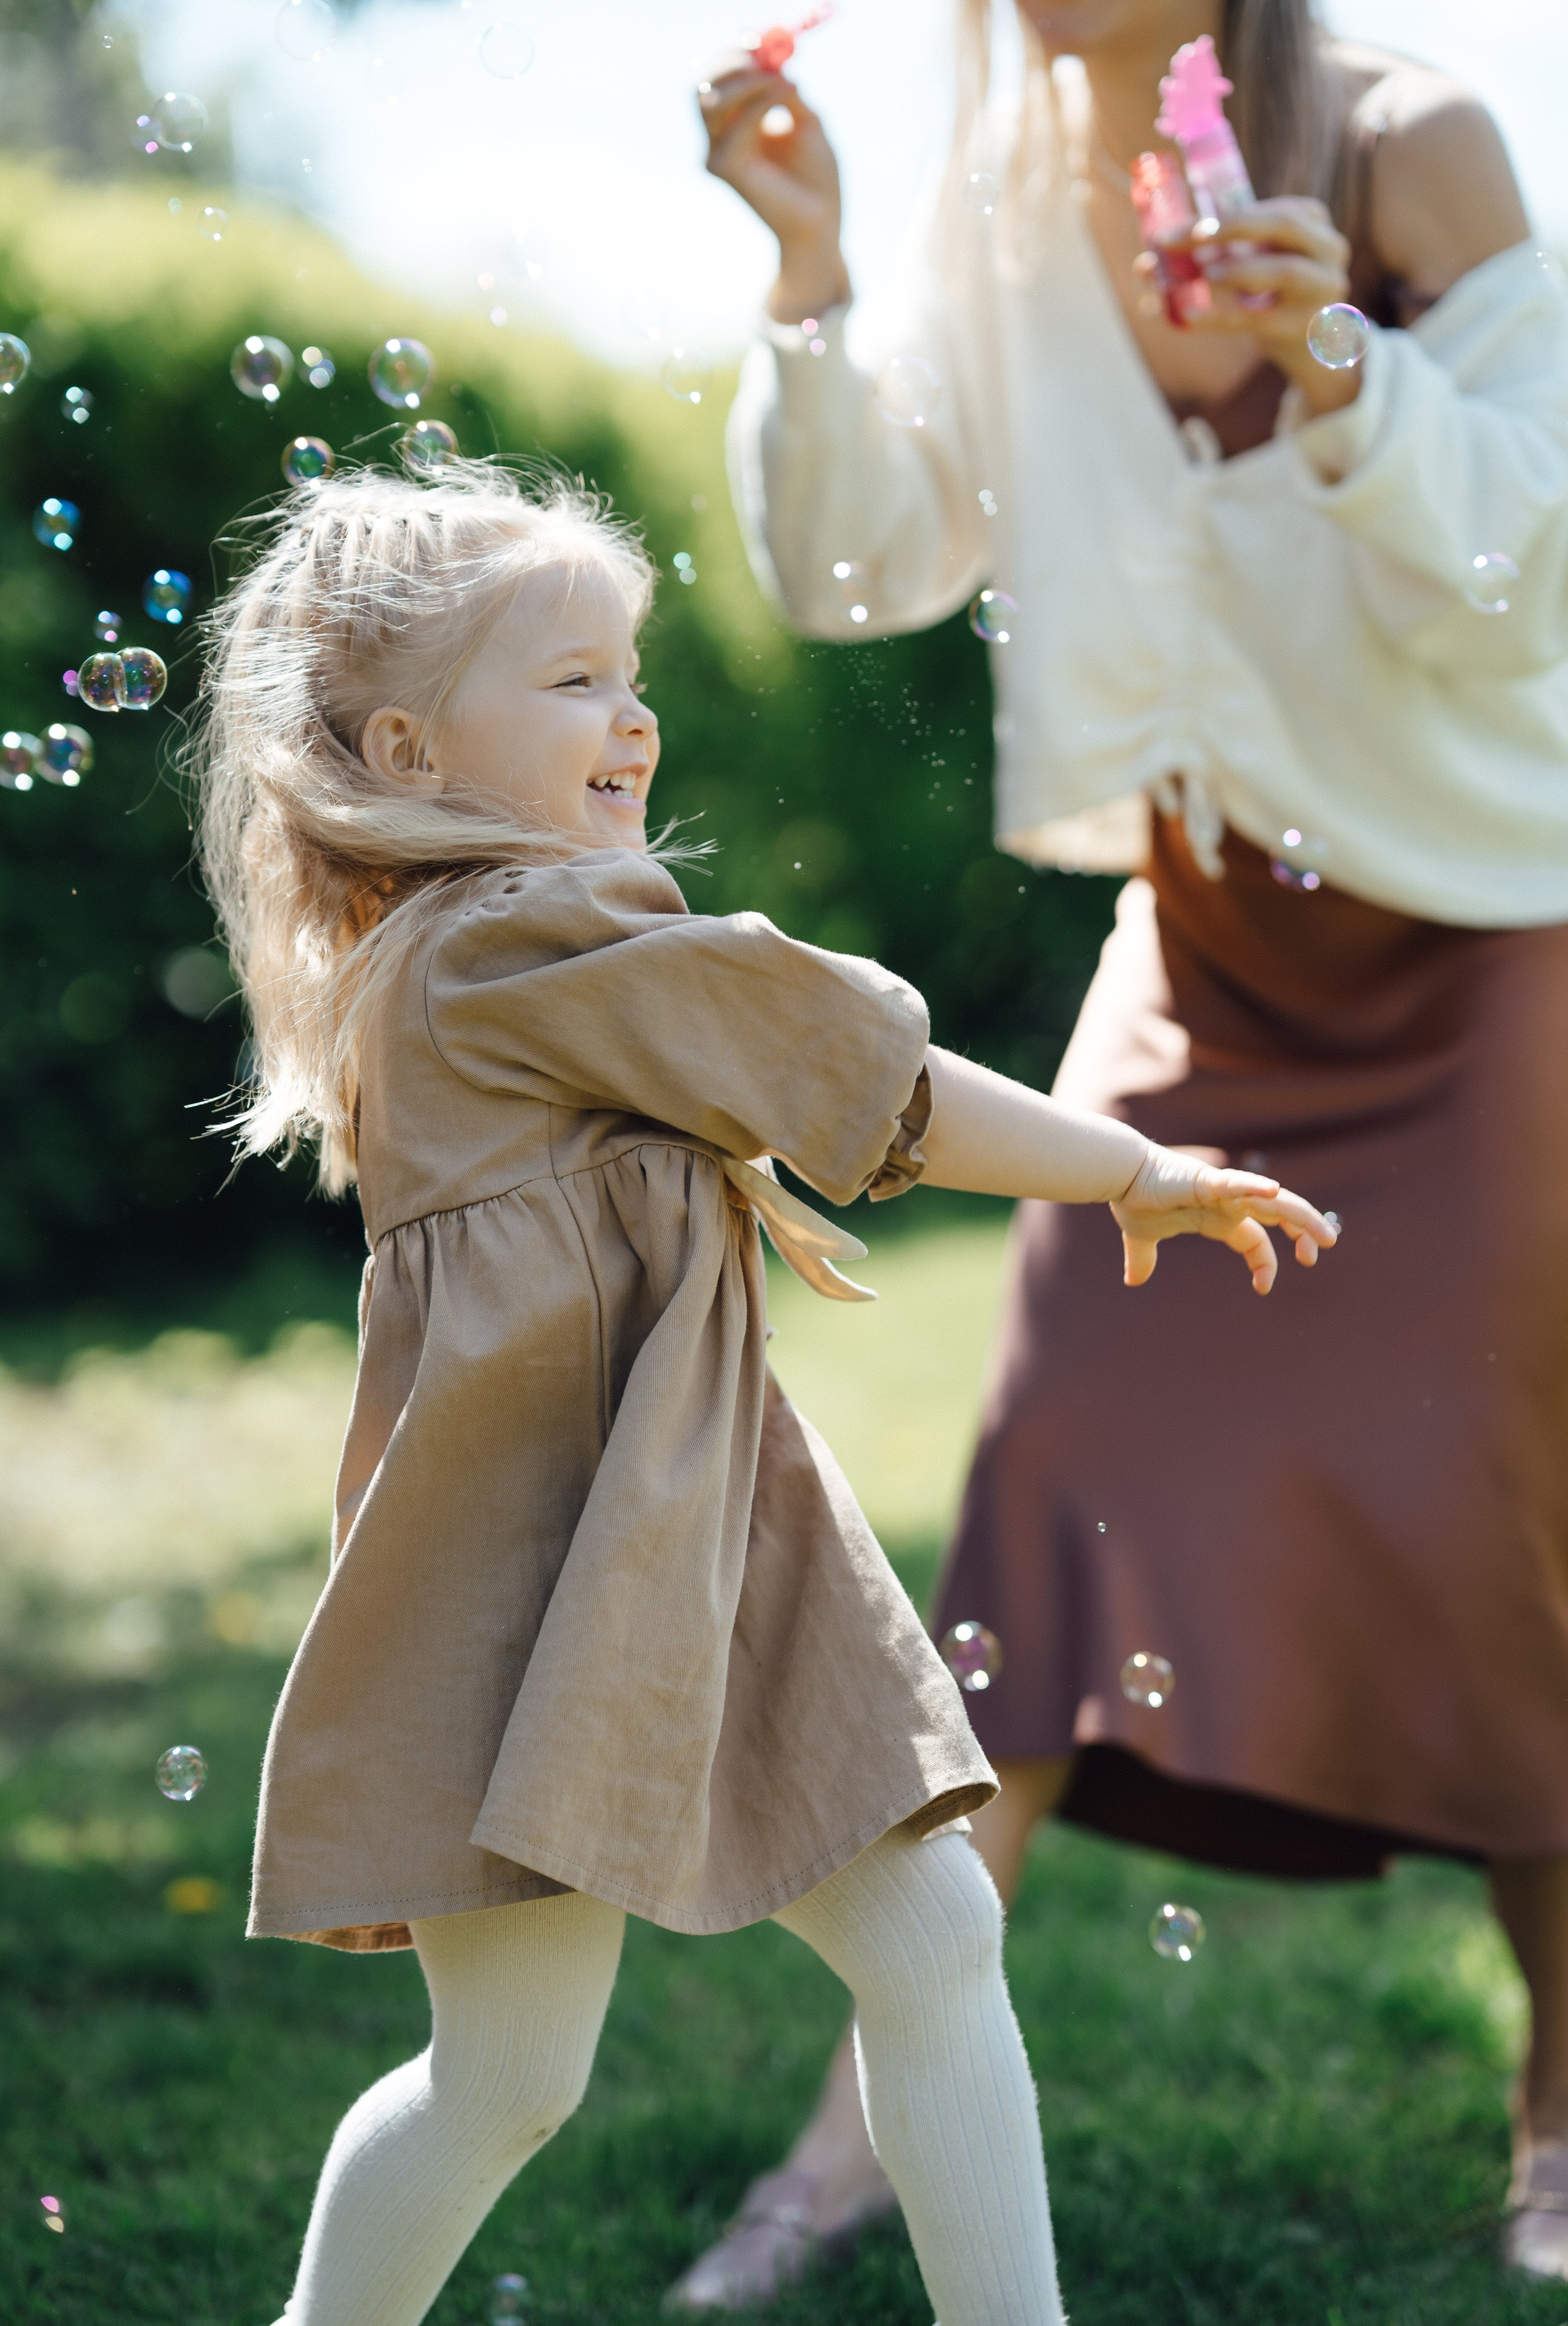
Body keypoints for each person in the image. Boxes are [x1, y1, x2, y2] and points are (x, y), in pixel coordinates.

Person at [187, 458, 1333, 2326]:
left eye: (630, 671)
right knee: (514, 2078)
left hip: (666, 1534)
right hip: (566, 1560)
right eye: (567, 679)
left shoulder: (481, 952)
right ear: (401, 744)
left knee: (898, 1944)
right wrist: (1128, 1167)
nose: (631, 713)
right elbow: (861, 1074)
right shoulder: (513, 943)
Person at [684, 0, 1568, 2305]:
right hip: (1197, 957)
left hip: (1487, 952)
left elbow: (1542, 570)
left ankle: (1566, 2105)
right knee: (1047, 1494)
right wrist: (812, 276)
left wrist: (1351, 372)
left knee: (1517, 1533)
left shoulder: (1412, 143)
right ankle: (868, 2118)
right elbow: (860, 566)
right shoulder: (997, 199)